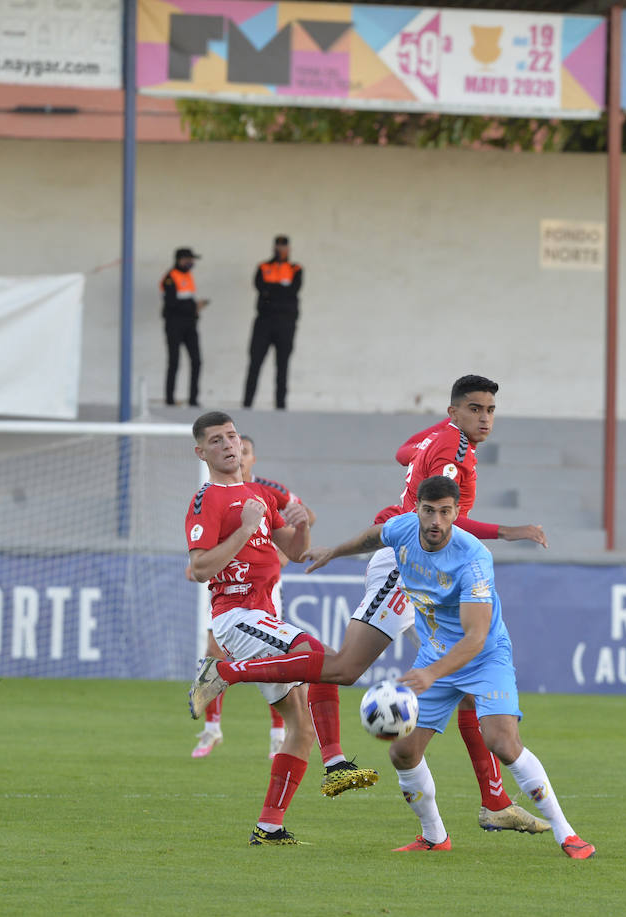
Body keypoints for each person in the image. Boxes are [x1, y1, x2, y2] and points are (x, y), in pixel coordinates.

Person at [190, 375, 552, 834]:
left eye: (490, 410)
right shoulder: (454, 450)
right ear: (455, 411)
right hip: (407, 565)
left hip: (421, 564)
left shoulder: (442, 440)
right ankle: (230, 676)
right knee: (342, 667)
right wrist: (507, 530)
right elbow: (441, 514)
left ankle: (494, 801)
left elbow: (405, 454)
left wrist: (417, 468)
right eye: (475, 409)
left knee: (464, 678)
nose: (484, 418)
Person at [235, 475, 594, 857]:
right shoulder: (405, 528)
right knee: (402, 753)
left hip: (484, 657)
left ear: (456, 513)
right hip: (435, 655)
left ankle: (566, 833)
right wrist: (335, 552)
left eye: (444, 512)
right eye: (428, 511)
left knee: (501, 741)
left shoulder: (473, 559)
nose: (435, 521)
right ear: (417, 509)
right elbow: (374, 536)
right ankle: (435, 837)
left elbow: (475, 637)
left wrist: (430, 674)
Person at [182, 411, 374, 845]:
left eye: (232, 436)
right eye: (217, 440)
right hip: (237, 616)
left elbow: (294, 549)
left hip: (266, 616)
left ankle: (269, 827)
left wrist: (302, 524)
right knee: (326, 658)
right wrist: (246, 529)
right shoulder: (206, 499)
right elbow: (197, 568)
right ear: (202, 452)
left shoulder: (260, 494)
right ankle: (336, 761)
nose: (228, 444)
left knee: (301, 727)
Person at [192, 435, 317, 763]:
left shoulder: (266, 490)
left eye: (243, 449)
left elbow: (303, 519)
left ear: (252, 458)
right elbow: (201, 558)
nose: (237, 453)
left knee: (298, 697)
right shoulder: (211, 498)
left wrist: (280, 550)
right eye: (230, 446)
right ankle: (213, 726)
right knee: (216, 649)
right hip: (231, 597)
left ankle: (283, 740)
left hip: (263, 589)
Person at [243, 235, 301, 411]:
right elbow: (261, 287)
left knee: (282, 364)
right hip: (264, 321)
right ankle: (247, 404)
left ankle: (281, 406)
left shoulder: (295, 268)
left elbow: (293, 290)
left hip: (286, 322)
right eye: (278, 246)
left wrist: (272, 290)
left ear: (289, 249)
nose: (281, 250)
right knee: (255, 361)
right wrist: (280, 290)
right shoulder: (263, 267)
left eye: (284, 247)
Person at [161, 247, 209, 407]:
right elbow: (171, 304)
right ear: (181, 260)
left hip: (190, 324)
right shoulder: (170, 277)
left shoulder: (187, 276)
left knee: (196, 361)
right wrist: (193, 307)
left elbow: (186, 299)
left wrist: (194, 307)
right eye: (189, 260)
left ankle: (193, 399)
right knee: (174, 361)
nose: (192, 263)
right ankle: (169, 399)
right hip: (174, 324)